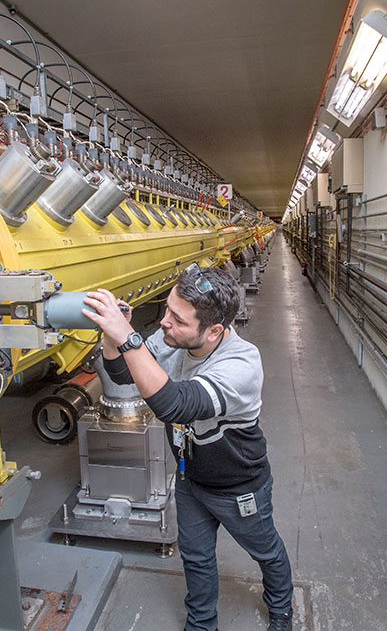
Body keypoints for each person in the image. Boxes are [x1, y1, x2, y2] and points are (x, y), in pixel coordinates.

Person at [83, 264, 293, 631]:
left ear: (214, 331)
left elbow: (175, 405)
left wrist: (129, 338)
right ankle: (201, 625)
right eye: (167, 310)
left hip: (238, 486)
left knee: (266, 552)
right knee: (196, 559)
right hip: (190, 479)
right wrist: (112, 337)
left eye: (177, 319)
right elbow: (122, 375)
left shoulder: (241, 363)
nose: (165, 323)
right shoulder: (170, 343)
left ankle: (281, 612)